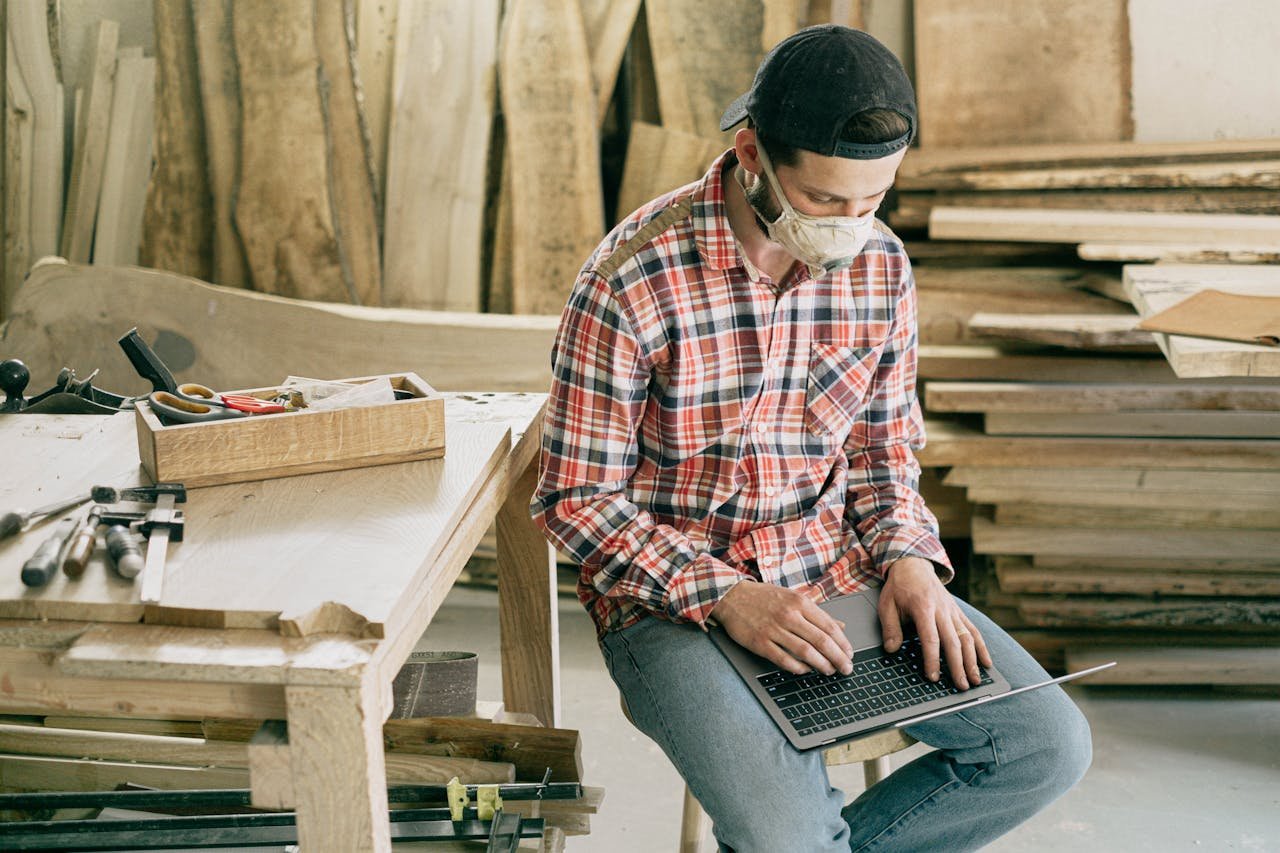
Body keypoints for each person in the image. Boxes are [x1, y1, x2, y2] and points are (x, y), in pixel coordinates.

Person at [531, 25, 1092, 852]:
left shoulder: (881, 266)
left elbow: (883, 452)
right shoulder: (630, 280)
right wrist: (725, 594)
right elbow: (576, 501)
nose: (851, 226)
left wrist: (909, 561)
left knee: (1047, 747)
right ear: (752, 154)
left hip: (837, 567)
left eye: (874, 201)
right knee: (790, 837)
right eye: (827, 201)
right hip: (672, 606)